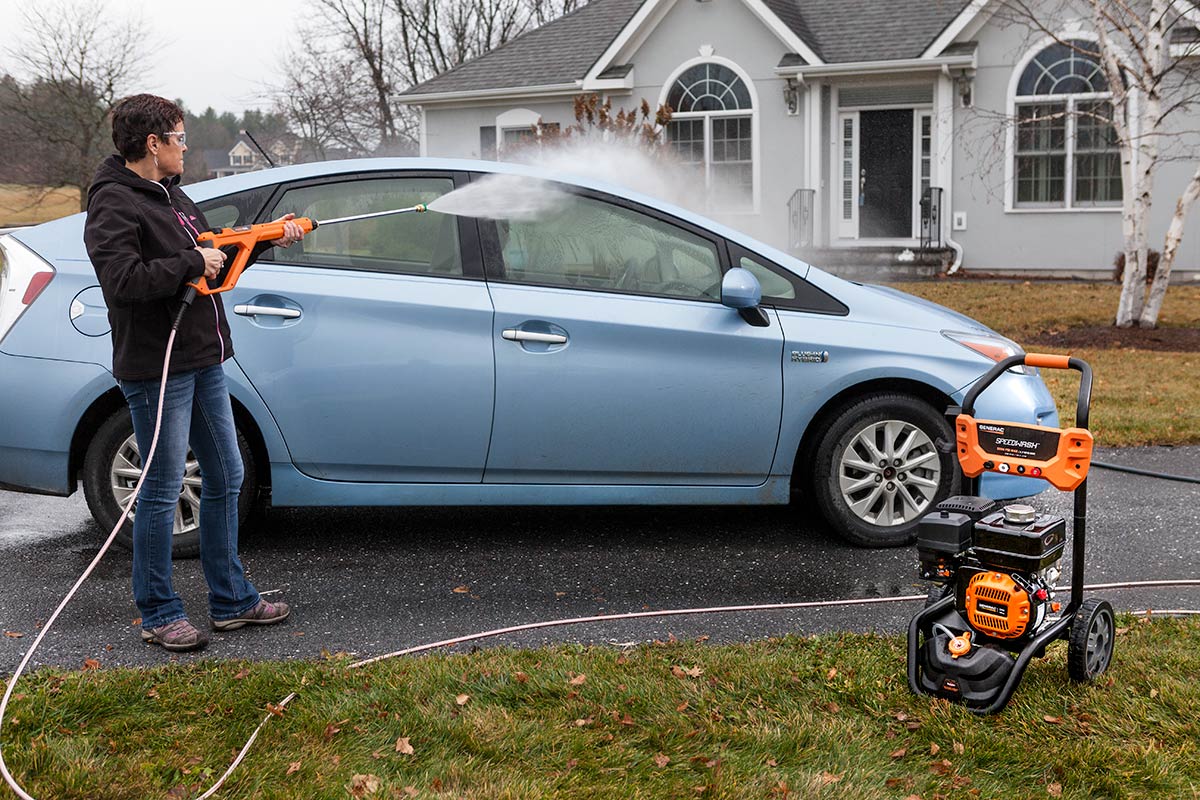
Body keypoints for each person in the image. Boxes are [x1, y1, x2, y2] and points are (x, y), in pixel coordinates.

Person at [84, 94, 305, 652]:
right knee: (161, 489)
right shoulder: (114, 203)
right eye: (179, 138)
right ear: (152, 144)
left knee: (227, 476)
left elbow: (212, 260)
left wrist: (263, 238)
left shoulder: (174, 196)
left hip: (203, 358)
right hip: (158, 365)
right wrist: (189, 262)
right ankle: (159, 613)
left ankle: (231, 603)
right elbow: (123, 281)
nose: (185, 147)